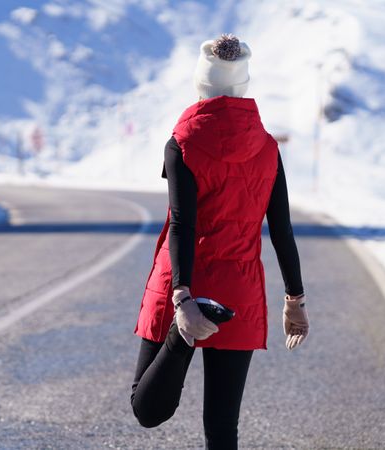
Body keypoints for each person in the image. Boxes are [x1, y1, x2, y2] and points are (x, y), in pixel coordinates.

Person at [130, 34, 310, 449]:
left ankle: (181, 337)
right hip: (238, 290)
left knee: (147, 408)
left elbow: (182, 223)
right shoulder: (266, 147)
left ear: (201, 83)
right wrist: (294, 301)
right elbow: (281, 228)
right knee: (222, 428)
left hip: (182, 284)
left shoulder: (182, 143)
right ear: (242, 85)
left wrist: (181, 299)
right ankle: (185, 332)